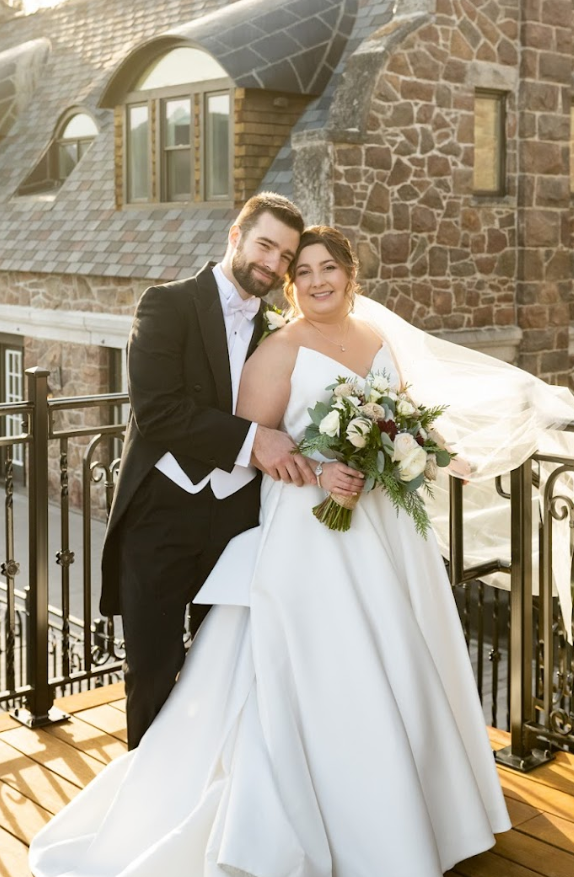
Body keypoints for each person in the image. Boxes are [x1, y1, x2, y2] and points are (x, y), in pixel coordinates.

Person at [30, 226, 517, 877]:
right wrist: (322, 475)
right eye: (303, 269)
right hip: (306, 525)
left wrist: (400, 456)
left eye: (328, 267)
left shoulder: (377, 339)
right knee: (318, 664)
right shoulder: (276, 348)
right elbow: (256, 448)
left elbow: (397, 417)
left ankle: (420, 808)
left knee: (402, 652)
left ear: (350, 274)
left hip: (382, 527)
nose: (316, 279)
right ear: (289, 282)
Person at [99, 195, 359, 751]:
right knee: (153, 668)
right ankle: (149, 797)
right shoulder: (166, 305)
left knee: (229, 665)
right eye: (266, 245)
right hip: (163, 515)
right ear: (236, 234)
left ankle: (215, 790)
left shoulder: (278, 329)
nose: (274, 263)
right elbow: (158, 410)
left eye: (286, 256)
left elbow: (294, 415)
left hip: (242, 519)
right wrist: (253, 440)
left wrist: (323, 461)